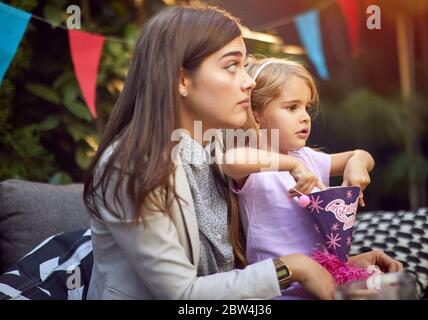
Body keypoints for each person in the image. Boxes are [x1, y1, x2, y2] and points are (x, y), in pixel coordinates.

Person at [83, 4, 402, 300]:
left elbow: (238, 264)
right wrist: (294, 268)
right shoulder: (130, 168)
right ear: (182, 79)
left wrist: (333, 267)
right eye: (232, 65)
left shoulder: (214, 149)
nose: (250, 82)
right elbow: (182, 296)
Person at [220, 57, 403, 299]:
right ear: (256, 115)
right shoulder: (257, 168)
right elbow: (231, 160)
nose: (306, 116)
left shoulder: (308, 158)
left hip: (324, 285)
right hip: (280, 292)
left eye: (307, 107)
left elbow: (363, 155)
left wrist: (357, 163)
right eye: (292, 107)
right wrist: (291, 165)